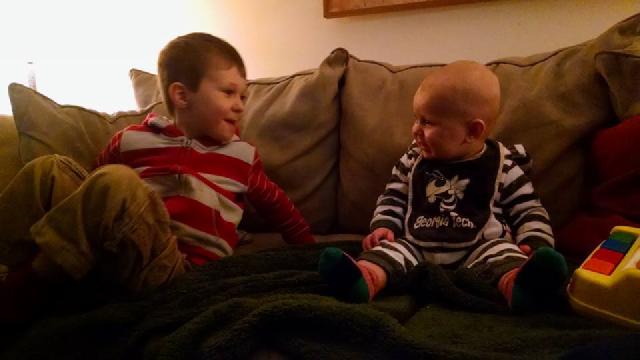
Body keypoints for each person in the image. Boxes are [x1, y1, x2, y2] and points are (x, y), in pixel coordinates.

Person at [0, 32, 314, 322]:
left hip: (177, 273)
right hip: (115, 253)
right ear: (181, 95)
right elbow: (88, 194)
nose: (239, 106)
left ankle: (22, 292)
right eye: (229, 92)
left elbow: (279, 207)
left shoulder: (241, 156)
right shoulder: (131, 139)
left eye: (243, 97)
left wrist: (310, 251)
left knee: (117, 183)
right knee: (49, 169)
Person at [318, 61, 567, 312]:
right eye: (417, 119)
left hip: (480, 246)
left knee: (504, 254)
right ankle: (363, 279)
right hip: (416, 245)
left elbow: (528, 209)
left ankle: (522, 287)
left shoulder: (503, 164)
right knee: (386, 254)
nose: (415, 130)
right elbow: (392, 197)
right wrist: (384, 225)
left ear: (472, 131)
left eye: (427, 122)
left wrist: (536, 242)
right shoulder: (412, 161)